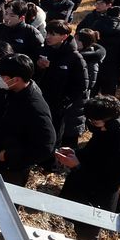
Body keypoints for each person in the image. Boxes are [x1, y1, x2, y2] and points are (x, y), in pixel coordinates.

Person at [56, 96, 120, 240]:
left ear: (112, 122)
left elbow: (107, 186)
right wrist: (75, 153)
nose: (92, 125)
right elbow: (93, 153)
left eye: (95, 122)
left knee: (87, 235)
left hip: (94, 202)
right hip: (81, 190)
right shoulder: (107, 130)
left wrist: (77, 166)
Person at [0, 54, 56, 187]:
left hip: (11, 169)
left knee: (5, 203)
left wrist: (10, 156)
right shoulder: (6, 92)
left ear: (16, 79)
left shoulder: (35, 106)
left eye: (2, 76)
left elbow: (46, 145)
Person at [36, 20, 89, 148]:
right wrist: (39, 68)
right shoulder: (43, 51)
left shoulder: (75, 58)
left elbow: (82, 85)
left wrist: (65, 102)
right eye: (47, 33)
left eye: (53, 34)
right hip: (43, 100)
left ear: (64, 37)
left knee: (57, 135)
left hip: (61, 106)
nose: (48, 37)